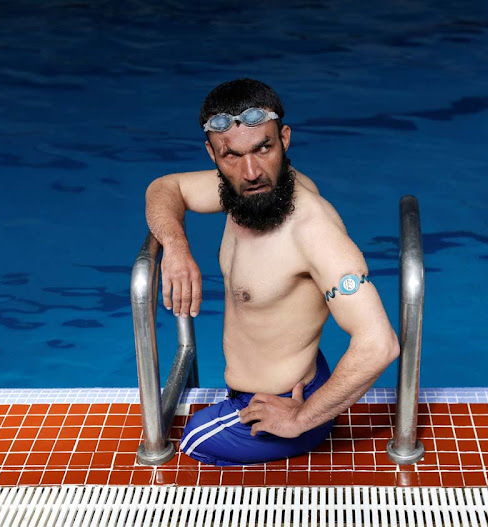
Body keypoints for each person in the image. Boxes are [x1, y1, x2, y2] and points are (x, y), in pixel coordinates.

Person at [145, 78, 399, 466]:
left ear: (284, 139)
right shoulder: (241, 194)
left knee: (182, 445)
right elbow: (165, 187)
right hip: (287, 382)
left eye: (264, 148)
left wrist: (302, 416)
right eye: (232, 155)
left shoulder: (312, 229)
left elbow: (379, 344)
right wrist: (177, 249)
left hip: (290, 404)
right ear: (213, 155)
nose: (251, 171)